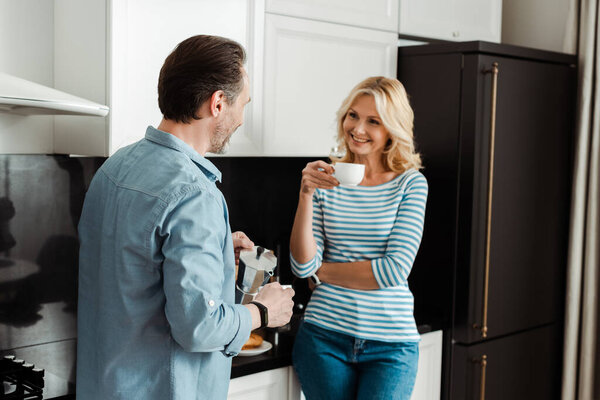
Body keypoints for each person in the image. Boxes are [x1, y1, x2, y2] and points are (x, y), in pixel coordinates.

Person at [76, 35, 294, 400]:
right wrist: (263, 311)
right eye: (244, 104)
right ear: (218, 103)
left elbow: (136, 270)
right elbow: (200, 327)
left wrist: (219, 249)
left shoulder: (114, 167)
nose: (242, 118)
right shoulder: (195, 193)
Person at [290, 76, 428, 400]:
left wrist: (322, 273)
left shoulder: (410, 185)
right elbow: (302, 265)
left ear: (392, 129)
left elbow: (393, 270)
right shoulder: (326, 180)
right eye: (353, 115)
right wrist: (306, 194)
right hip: (323, 338)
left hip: (391, 347)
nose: (358, 128)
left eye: (373, 121)